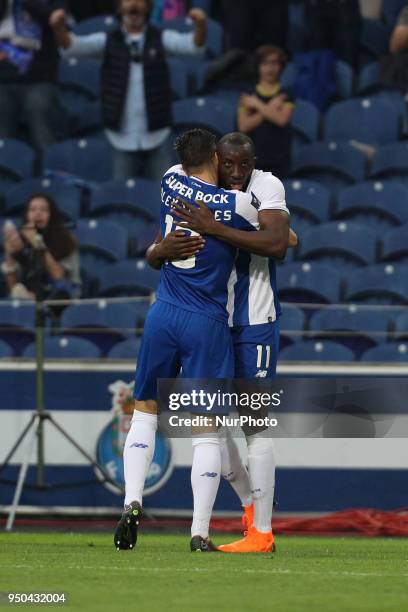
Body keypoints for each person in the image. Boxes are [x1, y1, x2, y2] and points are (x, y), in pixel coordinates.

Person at [113, 128, 289, 553]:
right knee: (210, 430)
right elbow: (280, 238)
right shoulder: (240, 202)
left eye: (242, 164)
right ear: (214, 157)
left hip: (244, 322)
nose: (234, 171)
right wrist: (161, 250)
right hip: (210, 321)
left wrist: (180, 240)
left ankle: (259, 530)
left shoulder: (175, 179)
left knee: (248, 424)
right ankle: (213, 525)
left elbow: (280, 242)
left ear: (252, 161)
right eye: (226, 163)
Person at [49, 0, 207, 181]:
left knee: (167, 196)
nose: (134, 5)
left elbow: (193, 47)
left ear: (147, 6)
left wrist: (201, 25)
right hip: (120, 136)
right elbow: (71, 48)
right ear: (119, 6)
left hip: (158, 132)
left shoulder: (160, 37)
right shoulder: (109, 40)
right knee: (120, 195)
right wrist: (58, 27)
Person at [0, 0, 64, 151]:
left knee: (44, 139)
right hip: (3, 77)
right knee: (3, 144)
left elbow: (54, 19)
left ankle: (48, 174)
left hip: (40, 77)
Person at [1, 193, 80, 301]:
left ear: (52, 215)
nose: (38, 214)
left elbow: (59, 277)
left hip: (62, 298)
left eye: (44, 210)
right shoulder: (22, 241)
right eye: (32, 210)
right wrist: (9, 255)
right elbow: (13, 288)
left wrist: (38, 243)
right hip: (29, 299)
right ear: (27, 215)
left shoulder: (66, 240)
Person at [237, 45, 294, 179]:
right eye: (265, 63)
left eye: (274, 63)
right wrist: (270, 108)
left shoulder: (286, 94)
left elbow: (281, 120)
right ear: (258, 66)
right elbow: (243, 126)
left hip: (279, 161)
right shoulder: (248, 94)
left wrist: (257, 104)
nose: (270, 68)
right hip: (252, 160)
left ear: (281, 66)